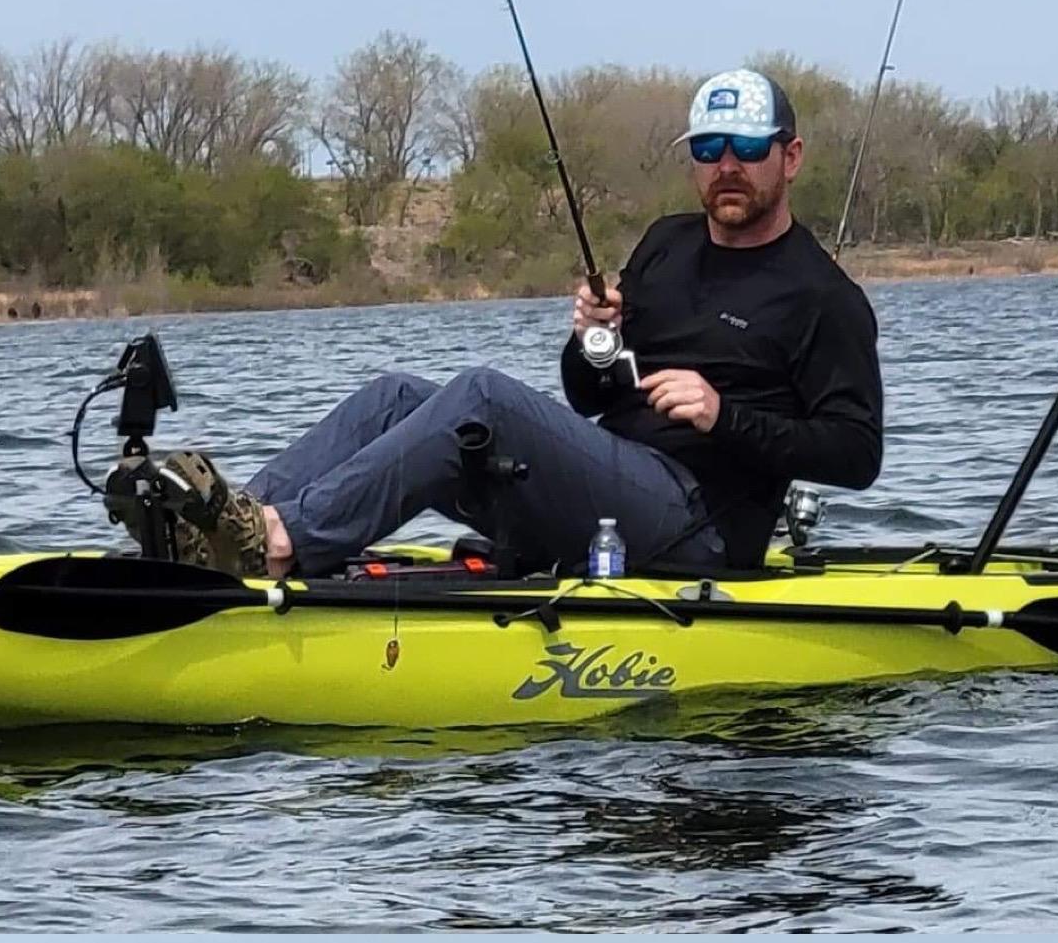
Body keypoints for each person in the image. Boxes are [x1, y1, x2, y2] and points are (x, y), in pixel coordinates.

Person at [160, 68, 884, 581]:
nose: (728, 166)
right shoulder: (667, 243)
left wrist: (724, 415)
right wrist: (590, 339)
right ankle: (223, 531)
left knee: (484, 397)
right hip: (609, 490)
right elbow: (592, 397)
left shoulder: (824, 295)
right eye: (708, 149)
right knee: (395, 398)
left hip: (697, 526)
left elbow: (856, 455)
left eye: (749, 149)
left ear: (790, 157)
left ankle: (281, 542)